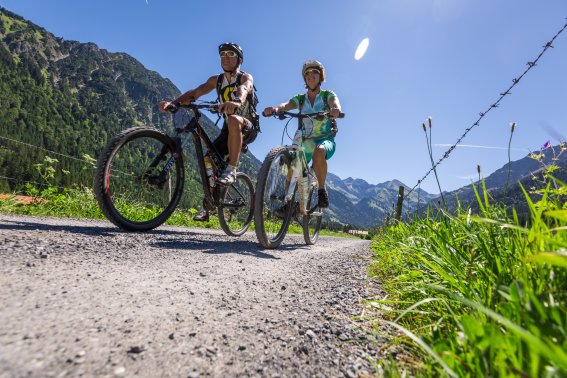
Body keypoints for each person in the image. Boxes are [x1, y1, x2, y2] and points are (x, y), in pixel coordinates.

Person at [159, 42, 258, 221]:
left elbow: (245, 88)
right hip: (229, 130)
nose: (226, 57)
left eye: (230, 54)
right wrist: (175, 103)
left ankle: (232, 170)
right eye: (222, 55)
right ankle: (210, 202)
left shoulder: (244, 77)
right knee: (208, 159)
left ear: (240, 60)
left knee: (234, 119)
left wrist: (236, 101)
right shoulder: (217, 80)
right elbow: (196, 92)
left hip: (247, 126)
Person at [263, 59, 341, 208]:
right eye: (307, 73)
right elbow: (287, 104)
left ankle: (321, 190)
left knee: (319, 152)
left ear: (321, 77)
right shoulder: (300, 99)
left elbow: (335, 102)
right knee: (293, 167)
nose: (310, 75)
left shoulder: (327, 95)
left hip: (325, 139)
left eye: (315, 72)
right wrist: (276, 109)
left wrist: (335, 109)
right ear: (304, 78)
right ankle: (287, 203)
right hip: (305, 141)